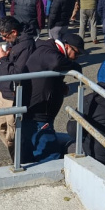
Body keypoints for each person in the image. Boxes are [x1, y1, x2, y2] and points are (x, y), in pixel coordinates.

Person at [22, 33, 84, 163]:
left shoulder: (49, 50)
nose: (76, 58)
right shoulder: (47, 51)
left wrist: (59, 86)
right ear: (67, 46)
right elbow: (55, 63)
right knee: (49, 157)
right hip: (39, 114)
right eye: (76, 53)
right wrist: (75, 67)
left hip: (39, 111)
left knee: (30, 154)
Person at [0, 17, 36, 159]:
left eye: (5, 36)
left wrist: (3, 59)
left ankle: (18, 158)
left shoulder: (26, 45)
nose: (3, 39)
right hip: (3, 89)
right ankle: (16, 153)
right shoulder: (16, 42)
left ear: (14, 32)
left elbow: (17, 73)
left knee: (12, 131)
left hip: (13, 92)